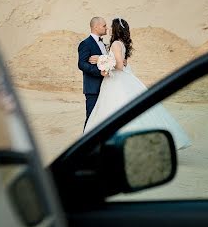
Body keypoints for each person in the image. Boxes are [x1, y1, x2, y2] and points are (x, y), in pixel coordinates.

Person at [83, 17, 191, 149]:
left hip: (116, 81)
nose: (108, 28)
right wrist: (109, 59)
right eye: (106, 26)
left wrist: (101, 59)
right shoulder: (121, 43)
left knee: (113, 110)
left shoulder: (116, 44)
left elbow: (119, 66)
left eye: (110, 26)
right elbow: (122, 62)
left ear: (116, 29)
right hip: (117, 80)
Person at [77, 17, 108, 126]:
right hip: (93, 88)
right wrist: (98, 72)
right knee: (91, 118)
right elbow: (81, 64)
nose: (106, 28)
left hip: (106, 87)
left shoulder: (104, 45)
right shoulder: (85, 44)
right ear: (95, 27)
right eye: (104, 26)